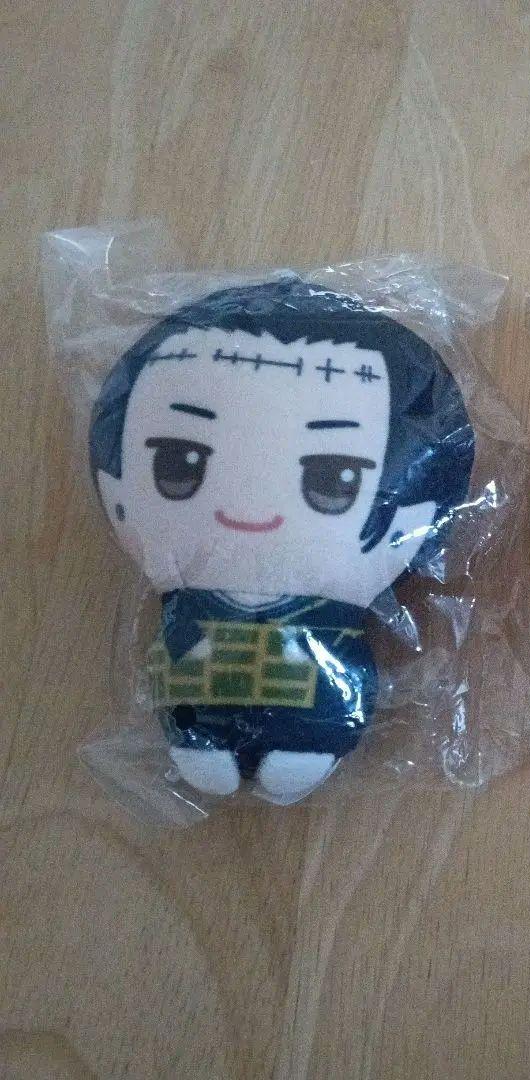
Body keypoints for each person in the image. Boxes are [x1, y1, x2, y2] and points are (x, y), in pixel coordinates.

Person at [91, 278, 474, 801]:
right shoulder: (190, 595)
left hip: (312, 703)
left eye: (332, 480)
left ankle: (306, 742)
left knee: (310, 716)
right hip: (199, 703)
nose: (249, 508)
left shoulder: (330, 613)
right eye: (180, 464)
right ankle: (215, 742)